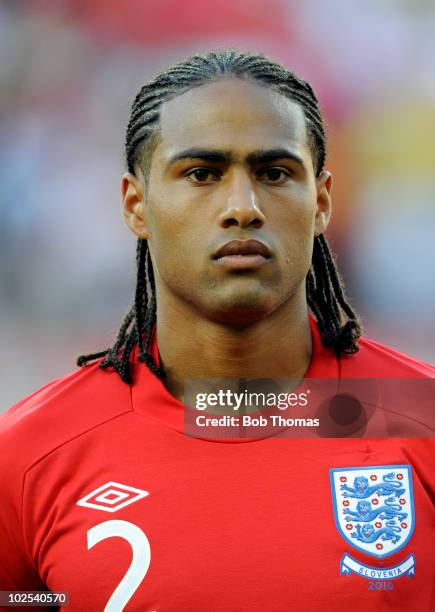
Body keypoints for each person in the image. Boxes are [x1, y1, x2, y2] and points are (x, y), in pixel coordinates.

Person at [0, 49, 433, 612]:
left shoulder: (420, 418)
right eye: (201, 173)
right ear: (136, 204)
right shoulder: (28, 455)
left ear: (322, 201)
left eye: (274, 173)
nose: (243, 207)